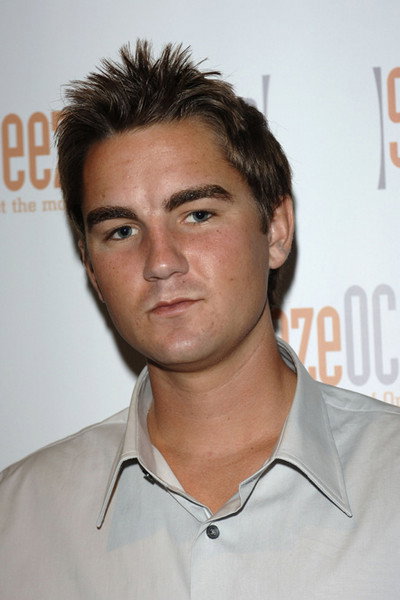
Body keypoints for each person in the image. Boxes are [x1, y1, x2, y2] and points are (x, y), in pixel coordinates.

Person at [1, 41, 400, 600]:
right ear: (91, 266)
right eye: (121, 230)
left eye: (197, 214)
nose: (160, 261)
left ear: (276, 230)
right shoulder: (18, 517)